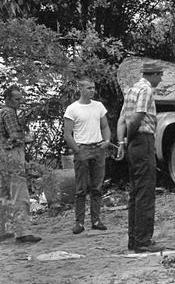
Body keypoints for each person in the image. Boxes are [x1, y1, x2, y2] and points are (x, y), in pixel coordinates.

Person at [117, 62, 164, 253]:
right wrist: (131, 135)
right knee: (145, 191)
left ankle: (134, 239)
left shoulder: (131, 90)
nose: (161, 79)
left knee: (136, 192)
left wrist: (122, 143)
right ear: (153, 75)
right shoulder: (146, 90)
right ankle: (143, 241)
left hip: (133, 144)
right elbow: (137, 117)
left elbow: (121, 120)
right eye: (160, 75)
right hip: (142, 139)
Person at [63, 77, 111, 234]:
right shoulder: (72, 109)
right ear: (81, 89)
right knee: (81, 188)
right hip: (82, 149)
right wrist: (77, 149)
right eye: (89, 88)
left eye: (93, 88)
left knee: (97, 186)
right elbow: (67, 133)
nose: (92, 91)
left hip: (98, 148)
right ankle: (79, 222)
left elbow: (104, 126)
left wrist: (107, 140)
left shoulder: (98, 106)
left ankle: (96, 220)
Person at [0, 85, 41, 243]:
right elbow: (15, 136)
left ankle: (2, 230)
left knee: (3, 194)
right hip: (13, 155)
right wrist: (28, 137)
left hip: (2, 156)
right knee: (20, 194)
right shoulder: (9, 113)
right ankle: (23, 232)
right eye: (17, 99)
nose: (19, 102)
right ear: (8, 99)